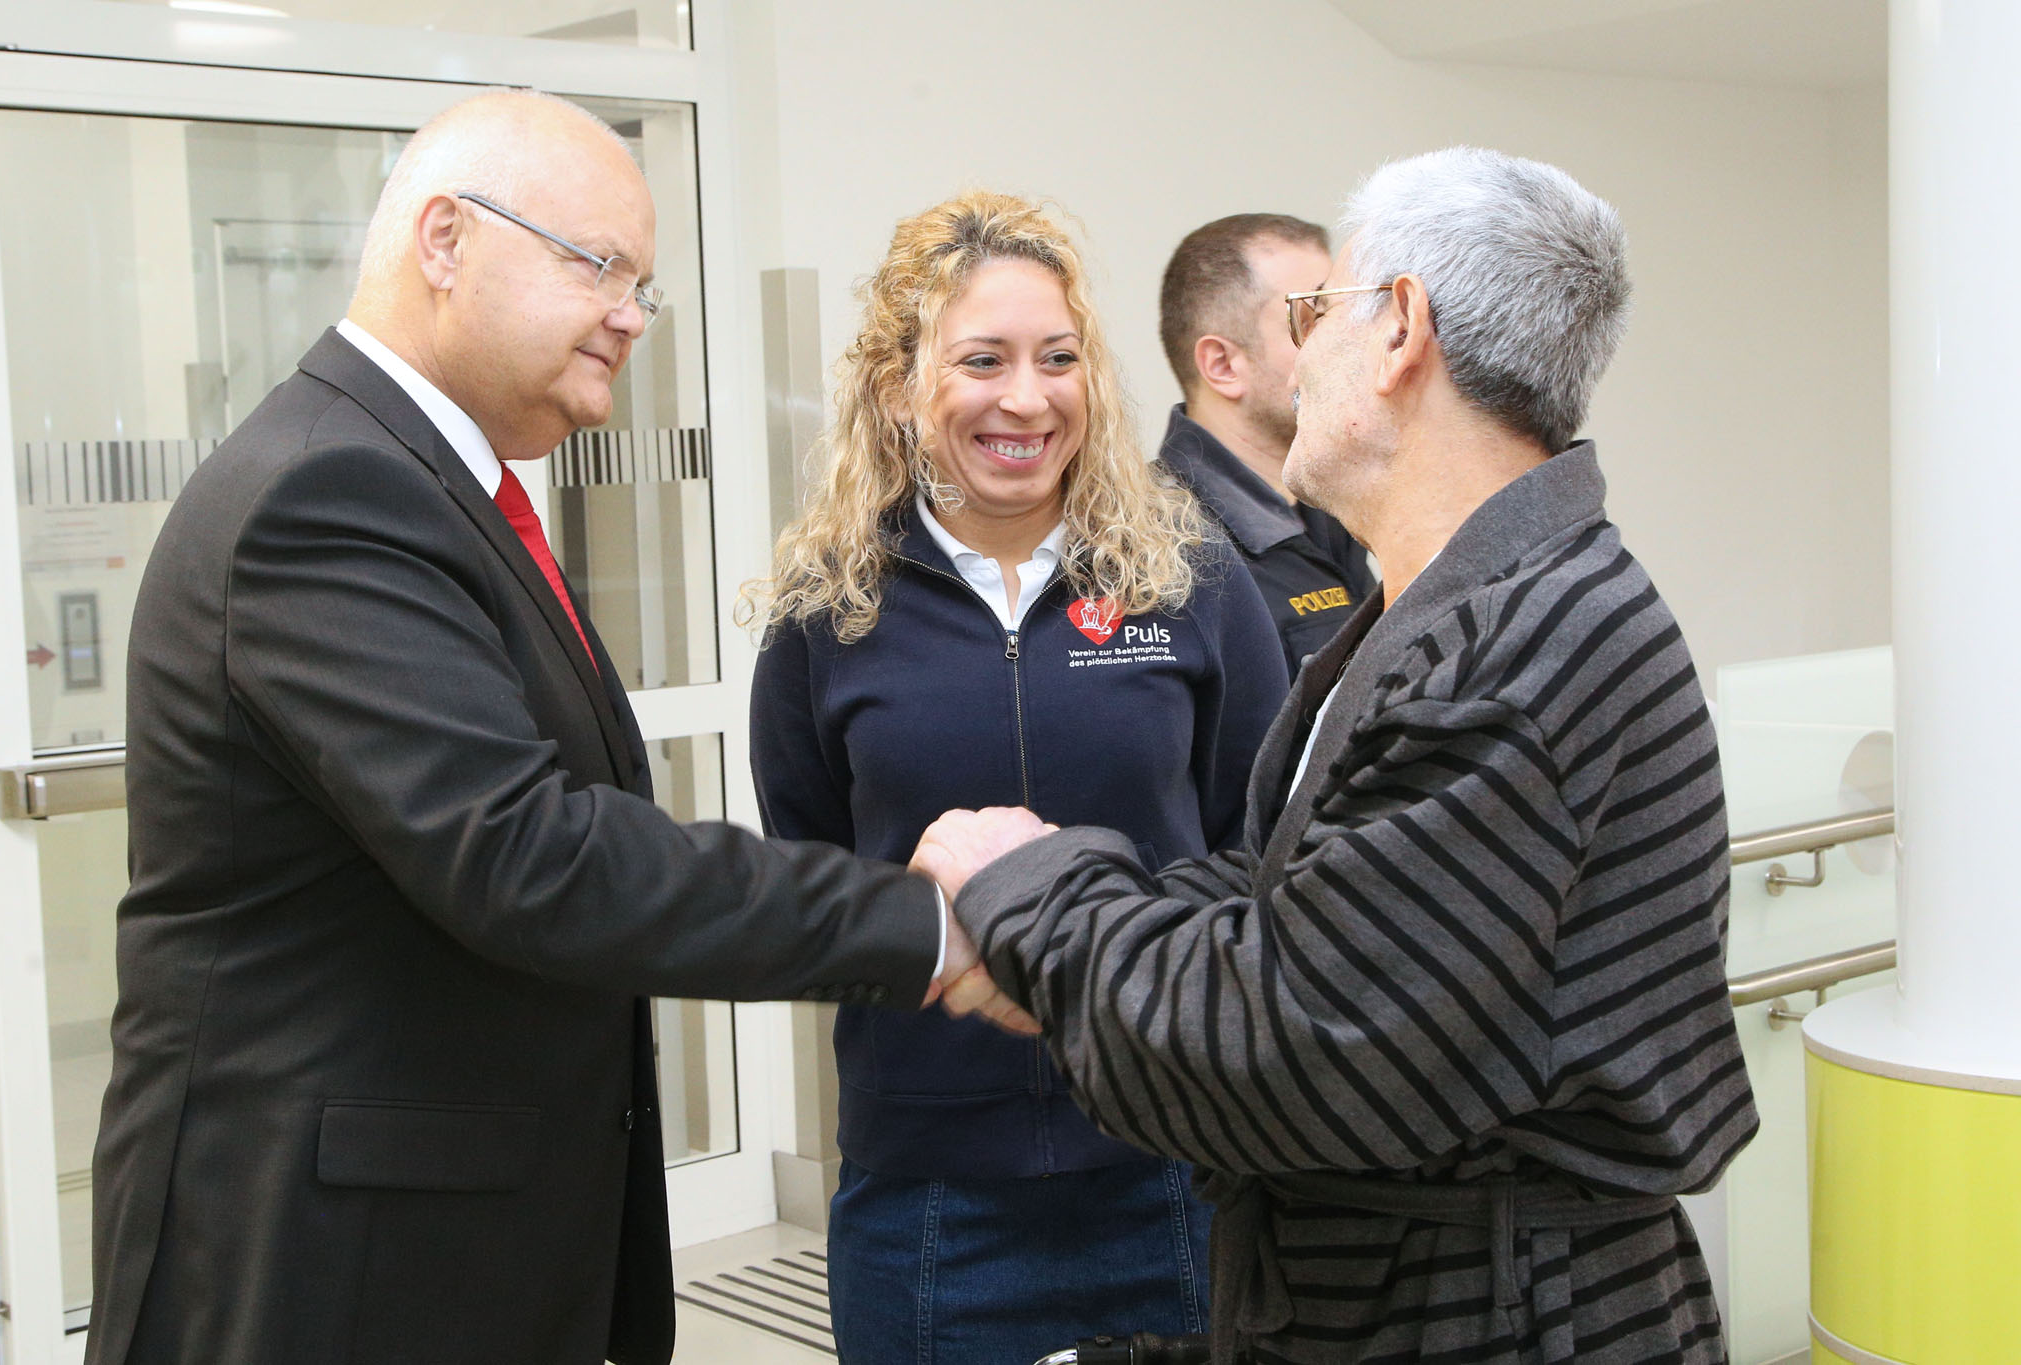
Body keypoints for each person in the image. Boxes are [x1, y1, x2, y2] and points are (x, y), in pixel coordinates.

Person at [86, 90, 1026, 1365]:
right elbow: (528, 854)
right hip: (337, 1261)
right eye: (597, 266)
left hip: (446, 1230)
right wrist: (926, 921)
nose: (629, 315)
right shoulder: (331, 489)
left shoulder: (435, 484)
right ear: (443, 241)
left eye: (642, 284)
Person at [924, 149, 1761, 1363]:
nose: (1298, 356)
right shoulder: (1464, 609)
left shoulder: (1516, 652)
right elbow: (1296, 910)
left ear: (1397, 332)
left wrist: (1026, 886)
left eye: (1316, 316)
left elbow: (1299, 1054)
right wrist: (1057, 934)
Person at [744, 191, 1289, 1365]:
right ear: (899, 386)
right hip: (929, 1195)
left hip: (1170, 1172)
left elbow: (1262, 841)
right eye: (980, 360)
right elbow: (819, 875)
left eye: (1057, 359)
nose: (1026, 399)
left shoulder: (1186, 575)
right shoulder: (826, 611)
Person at [1157, 213, 1375, 679]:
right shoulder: (1162, 549)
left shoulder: (1339, 507)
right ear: (1223, 366)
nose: (1342, 345)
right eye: (1307, 320)